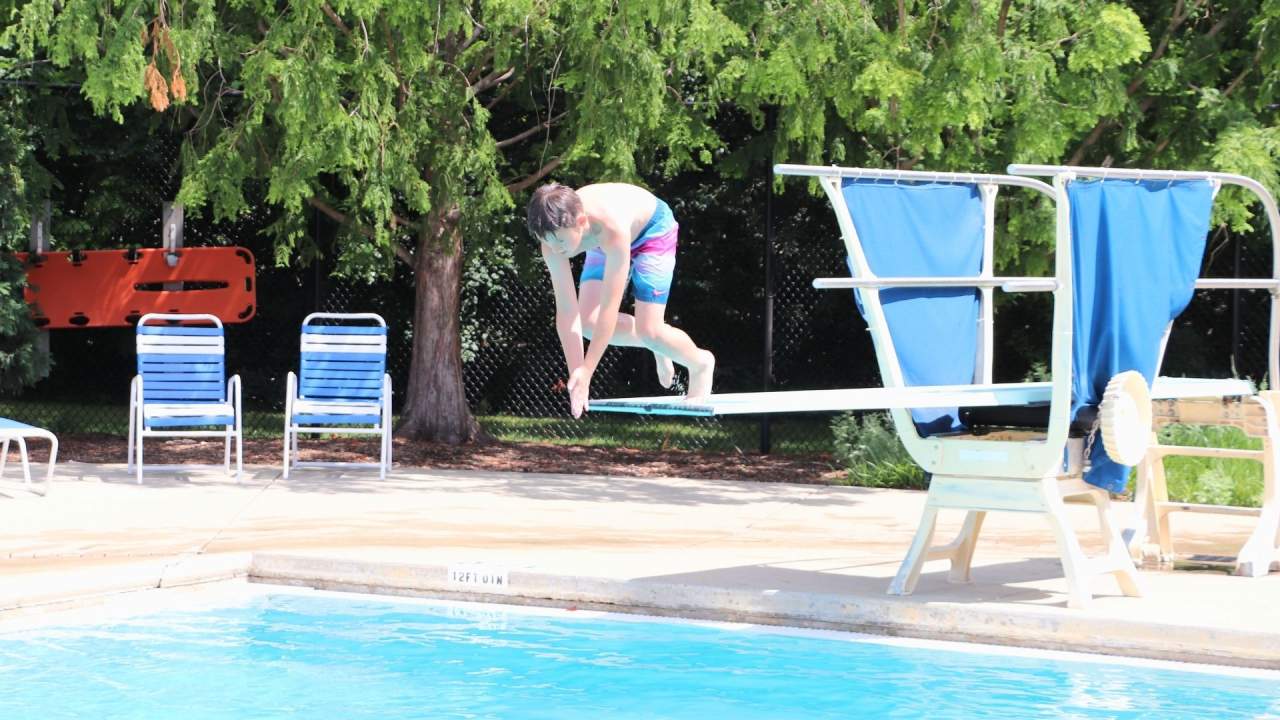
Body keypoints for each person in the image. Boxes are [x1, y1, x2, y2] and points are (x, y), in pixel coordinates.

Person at [527, 182, 715, 418]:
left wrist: (589, 370)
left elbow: (609, 308)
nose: (555, 249)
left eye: (561, 242)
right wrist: (578, 375)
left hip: (652, 231)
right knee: (587, 323)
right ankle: (658, 344)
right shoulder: (552, 241)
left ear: (581, 222)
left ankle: (700, 363)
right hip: (598, 243)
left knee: (650, 331)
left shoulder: (610, 227)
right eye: (547, 241)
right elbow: (567, 311)